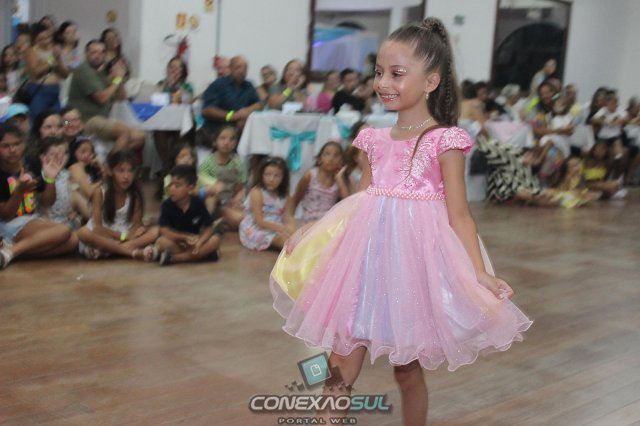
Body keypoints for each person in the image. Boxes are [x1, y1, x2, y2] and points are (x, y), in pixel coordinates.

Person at [269, 18, 532, 424]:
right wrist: (313, 228)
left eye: (396, 73)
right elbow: (360, 200)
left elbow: (460, 215)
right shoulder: (373, 139)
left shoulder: (445, 141)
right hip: (363, 267)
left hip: (410, 272)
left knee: (407, 372)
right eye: (379, 73)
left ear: (430, 81)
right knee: (339, 367)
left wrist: (478, 271)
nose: (383, 83)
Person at [0, 123, 78, 269]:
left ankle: (11, 253)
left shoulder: (31, 164)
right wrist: (20, 191)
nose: (12, 150)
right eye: (5, 146)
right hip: (8, 224)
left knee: (73, 241)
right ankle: (11, 251)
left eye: (16, 144)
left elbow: (47, 202)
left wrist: (50, 179)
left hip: (31, 219)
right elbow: (6, 215)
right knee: (64, 230)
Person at [77, 150, 158, 260]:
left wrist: (132, 234)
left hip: (126, 235)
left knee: (156, 231)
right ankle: (131, 252)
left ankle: (108, 250)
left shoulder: (134, 195)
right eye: (121, 171)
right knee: (83, 233)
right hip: (105, 235)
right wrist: (123, 237)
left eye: (130, 171)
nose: (126, 176)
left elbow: (137, 225)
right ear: (110, 171)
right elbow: (97, 229)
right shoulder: (100, 192)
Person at [156, 165, 222, 266]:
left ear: (190, 188)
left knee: (216, 240)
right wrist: (183, 237)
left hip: (194, 242)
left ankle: (174, 259)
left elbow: (209, 227)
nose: (172, 189)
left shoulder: (198, 203)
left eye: (177, 185)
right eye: (171, 185)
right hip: (177, 243)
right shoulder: (167, 205)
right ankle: (204, 256)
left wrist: (200, 242)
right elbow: (164, 230)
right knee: (162, 242)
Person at [239, 156, 295, 251]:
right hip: (258, 227)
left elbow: (288, 216)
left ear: (283, 178)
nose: (271, 179)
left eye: (276, 176)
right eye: (267, 174)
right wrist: (281, 228)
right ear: (261, 175)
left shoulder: (286, 196)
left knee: (296, 239)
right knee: (284, 242)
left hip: (277, 226)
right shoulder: (257, 192)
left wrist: (292, 229)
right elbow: (259, 221)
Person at [200, 55, 261, 141]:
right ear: (230, 68)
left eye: (245, 68)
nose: (242, 71)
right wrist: (232, 116)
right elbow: (207, 110)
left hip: (241, 132)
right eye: (238, 67)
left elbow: (258, 104)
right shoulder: (218, 84)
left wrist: (245, 112)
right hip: (217, 132)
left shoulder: (249, 85)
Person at [286, 141, 348, 224]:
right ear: (319, 159)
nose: (331, 159)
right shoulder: (310, 176)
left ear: (341, 161)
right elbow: (296, 198)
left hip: (328, 223)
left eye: (336, 156)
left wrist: (340, 179)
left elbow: (348, 203)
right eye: (327, 154)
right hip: (309, 223)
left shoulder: (339, 180)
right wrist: (290, 222)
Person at [197, 125, 246, 230]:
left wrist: (236, 199)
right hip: (215, 203)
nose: (227, 142)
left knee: (247, 218)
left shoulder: (238, 162)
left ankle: (222, 223)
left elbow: (239, 187)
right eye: (223, 138)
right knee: (238, 219)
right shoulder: (208, 162)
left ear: (235, 143)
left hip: (230, 201)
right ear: (215, 142)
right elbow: (203, 187)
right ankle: (210, 222)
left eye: (231, 139)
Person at [67, 40, 127, 121]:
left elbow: (121, 98)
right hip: (82, 122)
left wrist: (120, 78)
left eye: (102, 52)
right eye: (94, 52)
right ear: (86, 53)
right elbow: (102, 99)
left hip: (101, 120)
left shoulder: (102, 72)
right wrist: (117, 79)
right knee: (127, 129)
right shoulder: (84, 70)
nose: (98, 56)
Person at [24, 23, 70, 118]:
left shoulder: (55, 50)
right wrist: (51, 59)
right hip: (39, 91)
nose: (46, 41)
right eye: (41, 39)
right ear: (36, 40)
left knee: (59, 118)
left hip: (55, 90)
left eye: (48, 37)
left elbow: (65, 74)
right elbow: (35, 72)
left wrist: (58, 59)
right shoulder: (32, 51)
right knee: (38, 118)